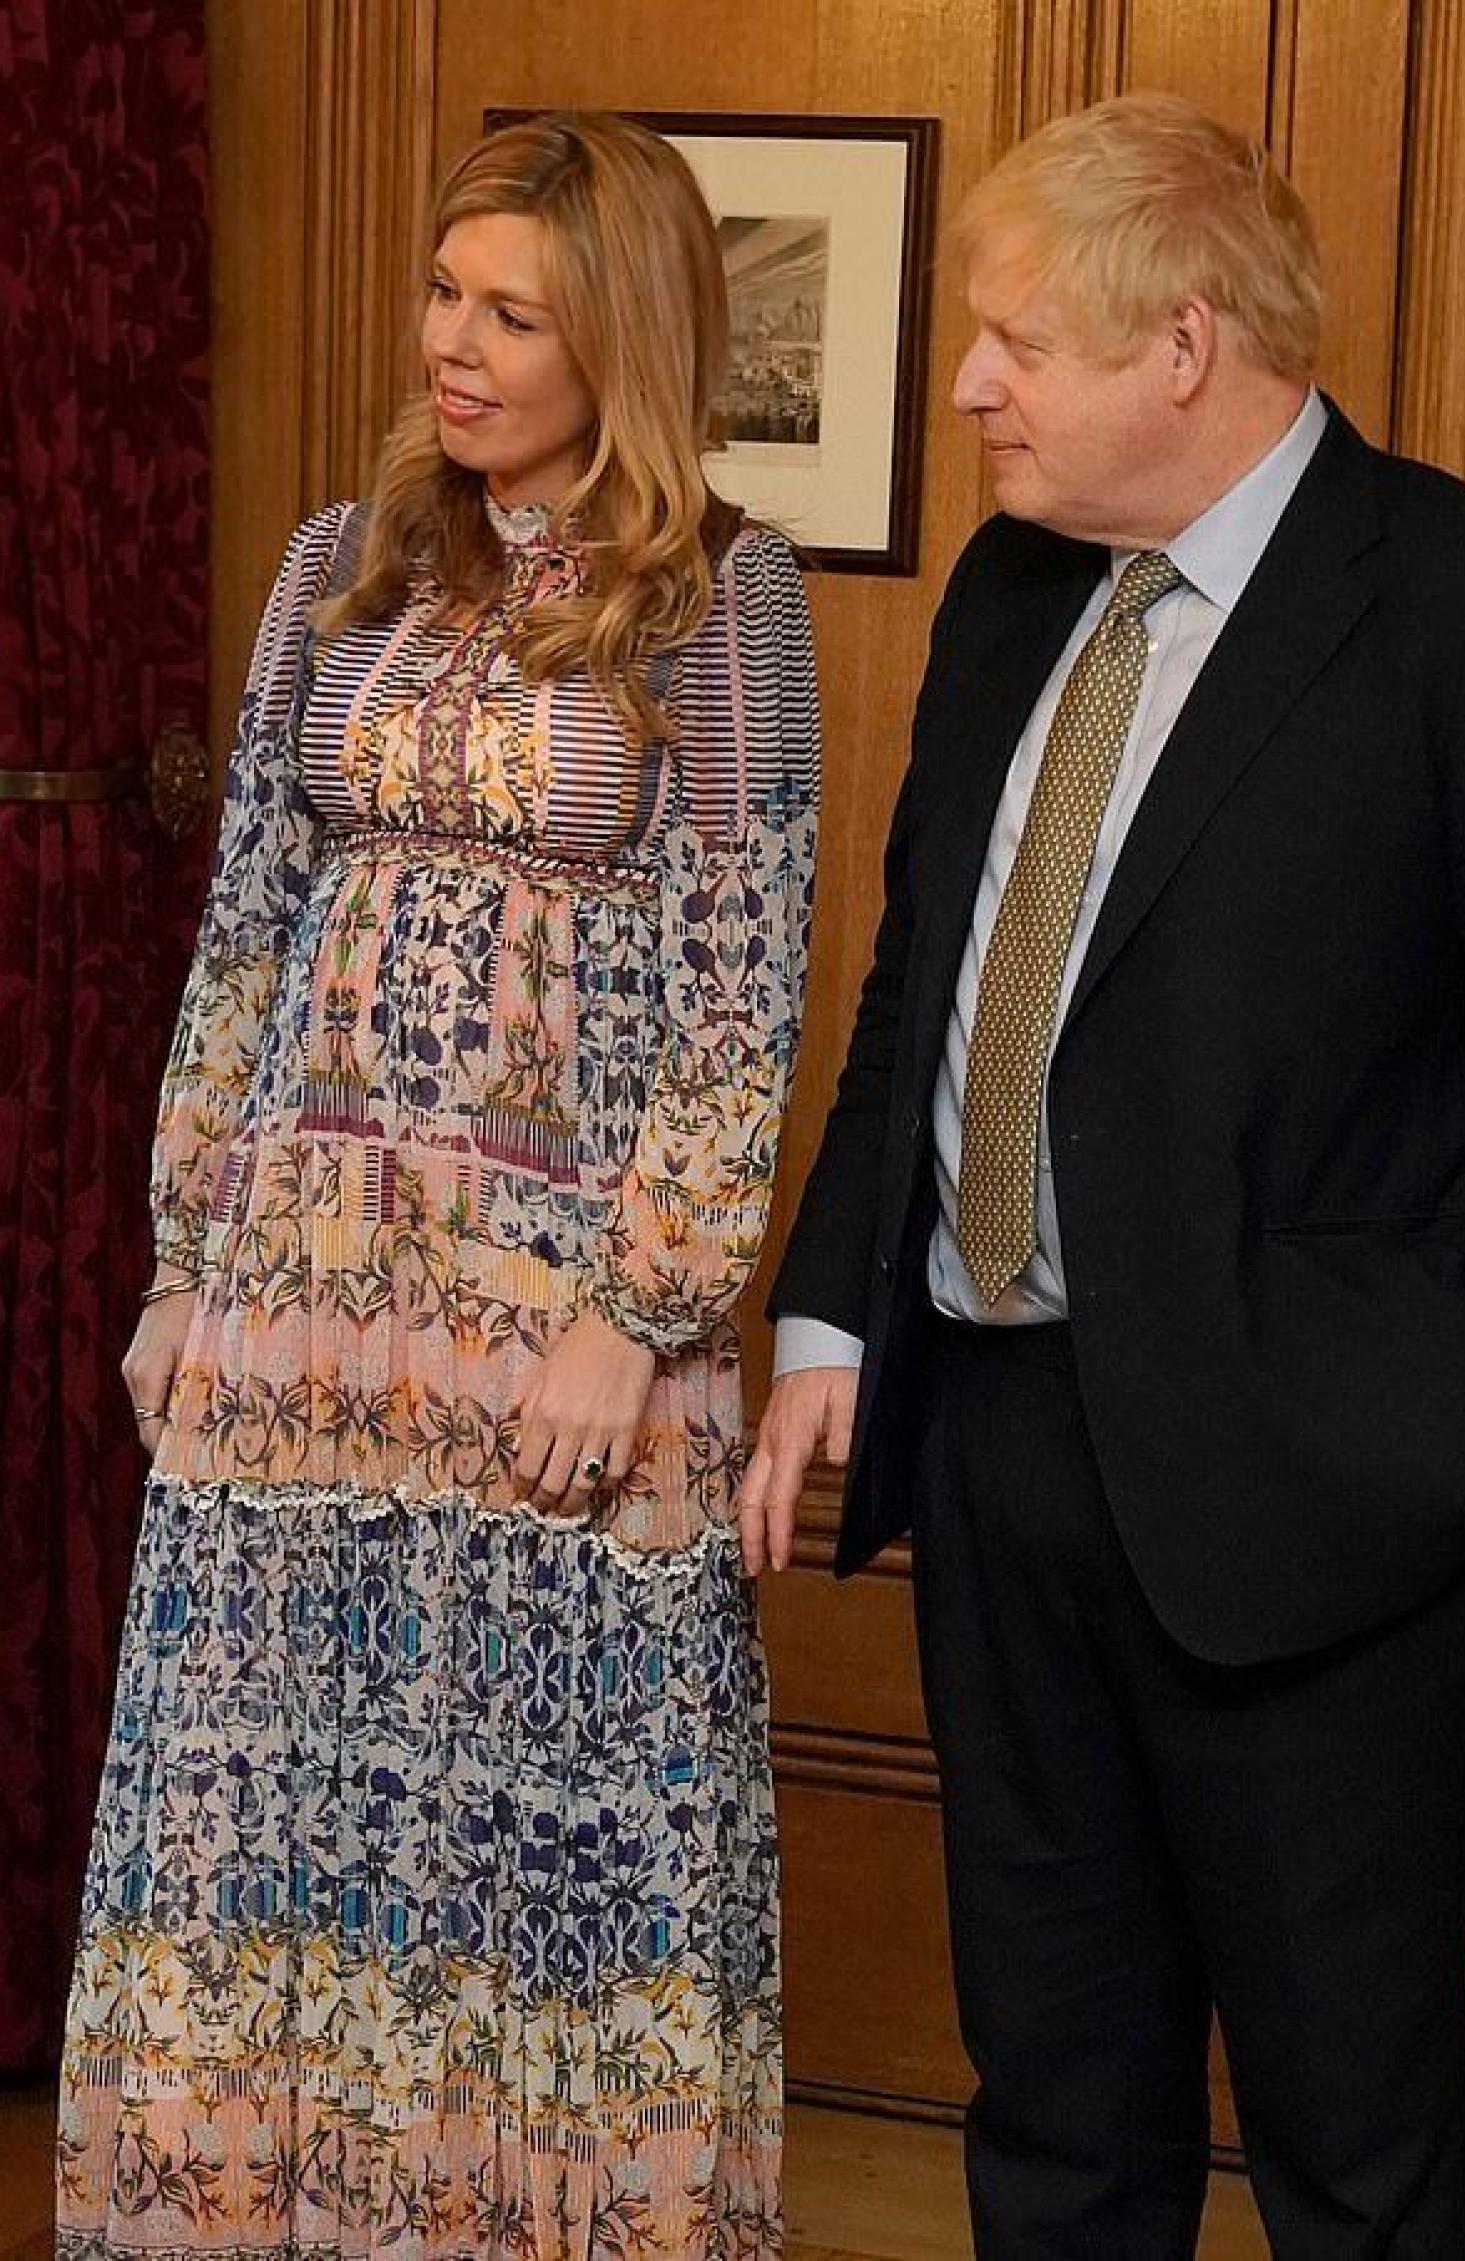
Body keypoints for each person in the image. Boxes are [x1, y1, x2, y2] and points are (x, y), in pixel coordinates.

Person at [741, 90, 1465, 2259]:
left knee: (1356, 2141)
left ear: (1183, 342)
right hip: (994, 1442)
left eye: (1015, 345)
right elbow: (927, 981)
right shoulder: (1009, 592)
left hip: (1314, 1482)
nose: (968, 386)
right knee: (1057, 2112)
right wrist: (827, 1312)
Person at [57, 112, 818, 2261]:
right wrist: (181, 1263)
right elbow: (244, 934)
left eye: (515, 312)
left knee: (548, 1849)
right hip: (298, 1308)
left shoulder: (722, 597)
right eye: (442, 294)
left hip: (564, 1331)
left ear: (628, 338)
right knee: (266, 1821)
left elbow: (743, 988)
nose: (454, 348)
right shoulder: (342, 562)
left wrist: (635, 1312)